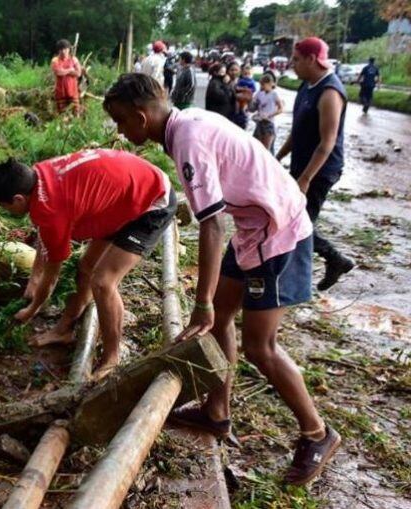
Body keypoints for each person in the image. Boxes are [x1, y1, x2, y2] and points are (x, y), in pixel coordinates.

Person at [103, 73, 340, 487]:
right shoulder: (186, 122)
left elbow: (211, 226)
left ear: (141, 117)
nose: (120, 131)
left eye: (121, 122)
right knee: (223, 318)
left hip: (277, 231)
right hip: (252, 226)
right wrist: (211, 305)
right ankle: (217, 411)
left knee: (259, 346)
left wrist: (201, 301)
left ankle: (317, 433)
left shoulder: (187, 141)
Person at [0, 150, 176, 378]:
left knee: (103, 283)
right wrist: (34, 278)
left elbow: (52, 275)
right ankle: (64, 329)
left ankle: (112, 358)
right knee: (85, 267)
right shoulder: (39, 174)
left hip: (152, 200)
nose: (6, 212)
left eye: (5, 207)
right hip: (120, 199)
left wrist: (32, 309)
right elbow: (44, 242)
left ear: (18, 199)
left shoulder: (50, 211)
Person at [276, 37, 354, 291]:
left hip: (321, 170)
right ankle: (301, 272)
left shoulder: (330, 92)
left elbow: (327, 142)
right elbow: (297, 131)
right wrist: (277, 158)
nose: (292, 65)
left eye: (296, 60)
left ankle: (331, 261)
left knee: (300, 223)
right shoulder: (307, 86)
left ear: (312, 59)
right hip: (301, 163)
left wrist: (306, 179)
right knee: (292, 220)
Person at [249, 74, 283, 151]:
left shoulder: (274, 94)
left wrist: (269, 115)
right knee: (255, 147)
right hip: (259, 123)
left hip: (269, 124)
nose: (262, 87)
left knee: (266, 150)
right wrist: (250, 101)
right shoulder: (259, 93)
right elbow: (252, 108)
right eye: (261, 84)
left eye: (263, 84)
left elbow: (281, 109)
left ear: (270, 84)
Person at [51, 39, 83, 116]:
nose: (63, 51)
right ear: (58, 50)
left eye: (65, 49)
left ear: (69, 49)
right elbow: (58, 72)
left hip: (73, 92)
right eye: (61, 49)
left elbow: (78, 73)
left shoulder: (74, 59)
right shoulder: (55, 60)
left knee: (76, 115)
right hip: (60, 93)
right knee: (62, 116)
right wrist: (70, 70)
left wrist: (64, 71)